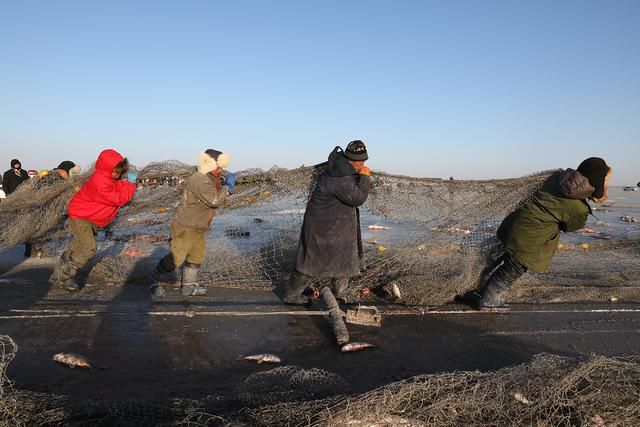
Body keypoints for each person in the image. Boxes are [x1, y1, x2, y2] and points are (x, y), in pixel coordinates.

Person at [465, 157, 612, 312]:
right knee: (513, 268)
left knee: (502, 261)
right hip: (530, 239)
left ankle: (481, 293)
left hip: (513, 224)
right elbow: (571, 226)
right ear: (597, 182)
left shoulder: (556, 177)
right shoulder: (579, 207)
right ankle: (489, 301)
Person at [284, 140, 371, 305]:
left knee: (344, 258)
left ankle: (341, 293)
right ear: (352, 161)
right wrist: (365, 178)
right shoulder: (340, 178)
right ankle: (292, 295)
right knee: (310, 261)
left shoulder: (340, 168)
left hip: (337, 225)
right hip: (322, 226)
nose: (363, 164)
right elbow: (358, 198)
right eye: (361, 162)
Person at [150, 149, 235, 297]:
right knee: (176, 258)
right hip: (186, 226)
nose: (221, 170)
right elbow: (214, 200)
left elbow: (213, 196)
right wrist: (227, 187)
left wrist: (223, 185)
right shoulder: (199, 178)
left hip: (198, 227)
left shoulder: (210, 179)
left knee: (197, 256)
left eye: (222, 167)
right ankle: (154, 281)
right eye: (218, 166)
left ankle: (188, 286)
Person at [49, 149, 137, 292]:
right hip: (82, 216)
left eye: (119, 172)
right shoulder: (100, 181)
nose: (118, 175)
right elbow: (120, 199)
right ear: (107, 168)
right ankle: (64, 277)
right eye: (115, 171)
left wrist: (125, 183)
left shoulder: (108, 178)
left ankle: (59, 275)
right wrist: (131, 184)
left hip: (91, 218)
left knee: (76, 247)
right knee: (89, 248)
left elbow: (118, 186)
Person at [25, 161, 81, 257]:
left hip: (50, 210)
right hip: (41, 208)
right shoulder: (50, 177)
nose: (72, 175)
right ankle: (32, 250)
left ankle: (39, 250)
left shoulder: (62, 179)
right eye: (71, 172)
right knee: (37, 229)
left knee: (45, 230)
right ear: (65, 170)